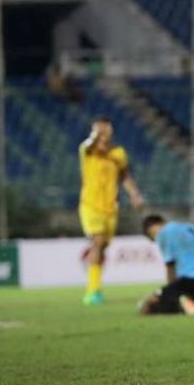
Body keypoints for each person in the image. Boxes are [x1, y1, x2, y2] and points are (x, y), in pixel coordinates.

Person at [79, 117, 144, 306]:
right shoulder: (87, 150)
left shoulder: (118, 153)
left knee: (103, 247)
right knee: (98, 241)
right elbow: (89, 144)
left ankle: (95, 279)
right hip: (90, 205)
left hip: (111, 208)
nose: (104, 134)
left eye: (106, 130)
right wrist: (95, 134)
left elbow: (125, 176)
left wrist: (135, 195)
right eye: (100, 131)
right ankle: (92, 291)